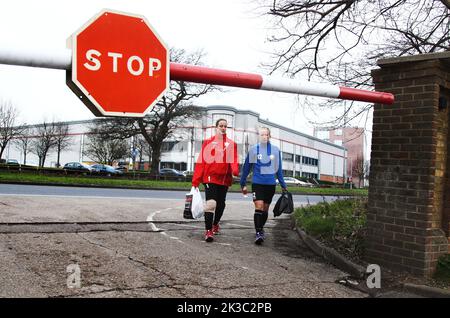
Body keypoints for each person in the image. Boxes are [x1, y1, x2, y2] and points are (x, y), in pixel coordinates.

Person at [192, 118, 239, 242]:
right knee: (211, 204)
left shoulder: (231, 144)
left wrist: (235, 170)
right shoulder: (208, 142)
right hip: (209, 178)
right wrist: (196, 181)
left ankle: (215, 224)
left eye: (225, 126)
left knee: (221, 204)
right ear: (216, 127)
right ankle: (208, 231)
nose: (223, 128)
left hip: (224, 179)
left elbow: (233, 160)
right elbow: (201, 161)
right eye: (221, 126)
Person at [240, 127, 287, 245]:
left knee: (265, 209)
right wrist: (243, 182)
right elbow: (246, 167)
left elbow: (278, 169)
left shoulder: (276, 150)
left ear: (269, 136)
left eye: (266, 134)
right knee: (259, 206)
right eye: (262, 135)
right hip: (257, 183)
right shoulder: (254, 150)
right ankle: (258, 233)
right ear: (259, 136)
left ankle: (260, 228)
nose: (264, 137)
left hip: (270, 184)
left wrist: (283, 184)